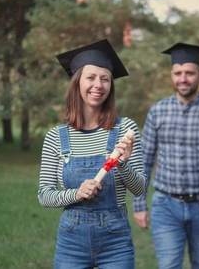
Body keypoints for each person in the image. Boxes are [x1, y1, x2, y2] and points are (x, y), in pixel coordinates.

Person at [38, 39, 147, 269]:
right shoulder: (55, 137)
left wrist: (123, 163)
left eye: (105, 79)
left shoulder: (125, 129)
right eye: (91, 77)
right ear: (77, 82)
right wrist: (76, 194)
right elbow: (45, 195)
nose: (99, 85)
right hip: (72, 240)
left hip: (115, 238)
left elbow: (140, 189)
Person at [133, 42, 199, 269]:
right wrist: (139, 204)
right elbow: (145, 159)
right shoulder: (157, 111)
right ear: (171, 75)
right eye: (178, 73)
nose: (183, 78)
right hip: (165, 206)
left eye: (189, 73)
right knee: (169, 265)